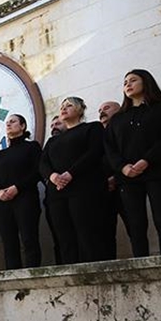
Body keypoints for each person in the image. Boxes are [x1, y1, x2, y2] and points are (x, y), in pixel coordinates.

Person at [105, 69, 161, 257]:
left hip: (158, 173)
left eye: (133, 80)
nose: (128, 85)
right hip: (128, 177)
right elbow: (110, 148)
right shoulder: (118, 119)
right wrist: (123, 167)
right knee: (136, 224)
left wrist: (146, 161)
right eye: (125, 82)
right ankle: (140, 263)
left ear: (146, 82)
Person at [39, 97, 108, 264]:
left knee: (86, 232)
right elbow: (43, 162)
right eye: (62, 106)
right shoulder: (53, 140)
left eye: (69, 105)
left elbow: (94, 152)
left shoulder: (92, 128)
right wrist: (53, 176)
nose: (63, 109)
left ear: (80, 110)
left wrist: (70, 173)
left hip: (84, 189)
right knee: (64, 236)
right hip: (57, 192)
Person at [0, 114, 42, 269]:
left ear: (23, 126)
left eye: (13, 121)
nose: (9, 124)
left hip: (25, 198)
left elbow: (37, 171)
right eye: (7, 122)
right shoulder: (1, 154)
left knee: (29, 238)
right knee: (8, 242)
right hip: (3, 203)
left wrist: (17, 187)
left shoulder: (32, 147)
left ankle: (32, 274)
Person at [97, 100, 126, 260]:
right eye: (100, 109)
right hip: (103, 190)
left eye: (106, 108)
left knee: (134, 226)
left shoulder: (125, 129)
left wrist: (116, 177)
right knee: (105, 233)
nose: (102, 111)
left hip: (124, 184)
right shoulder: (96, 135)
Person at [43, 115, 66, 265]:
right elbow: (42, 164)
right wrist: (52, 177)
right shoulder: (50, 143)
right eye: (52, 125)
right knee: (59, 236)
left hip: (78, 192)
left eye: (58, 123)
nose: (54, 127)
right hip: (53, 195)